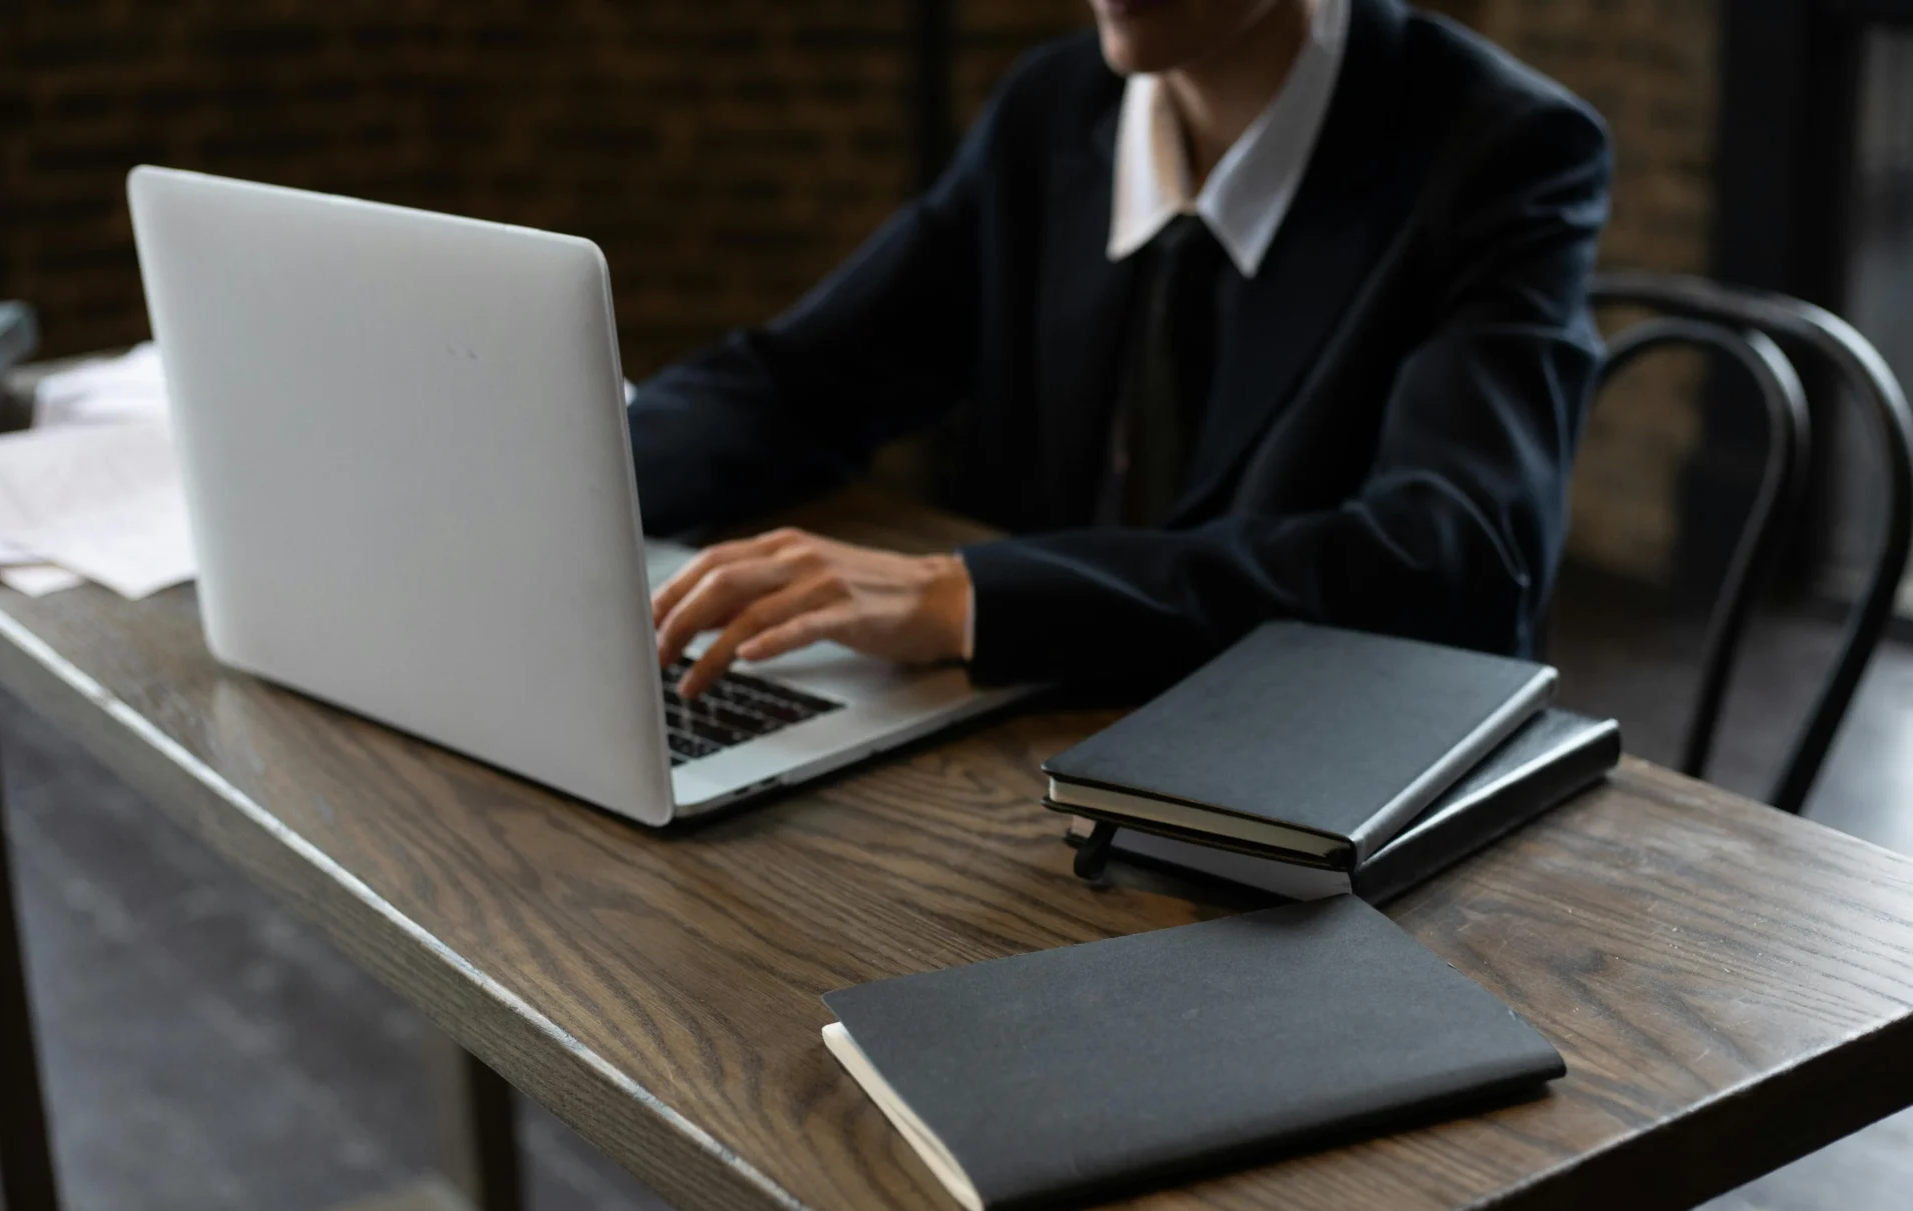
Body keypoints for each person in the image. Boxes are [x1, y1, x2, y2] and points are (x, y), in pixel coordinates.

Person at [632, 0, 1612, 699]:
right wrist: (563, 474)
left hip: (1335, 789)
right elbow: (802, 381)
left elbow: (1450, 565)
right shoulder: (1052, 110)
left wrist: (966, 595)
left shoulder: (1502, 148)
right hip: (1050, 747)